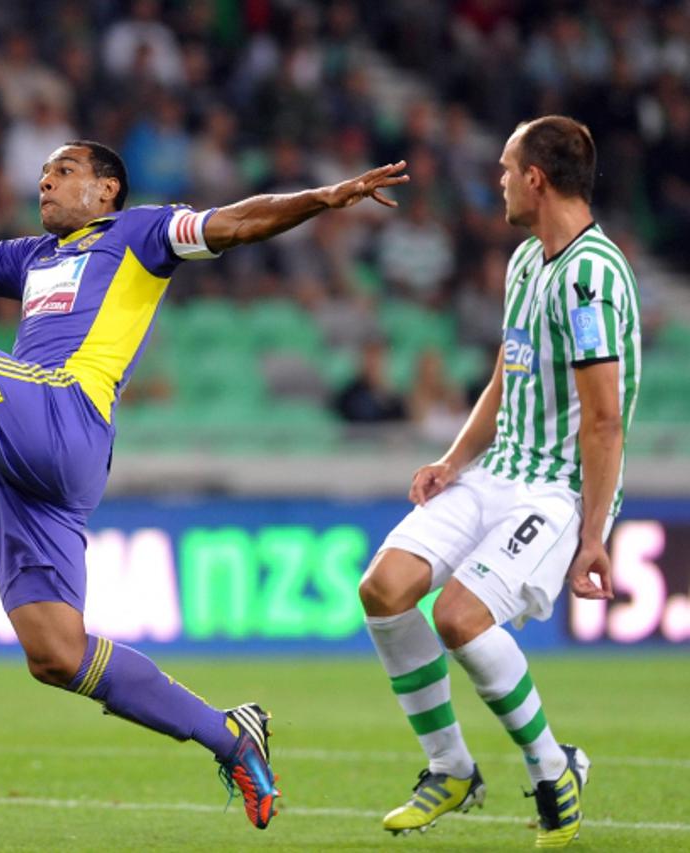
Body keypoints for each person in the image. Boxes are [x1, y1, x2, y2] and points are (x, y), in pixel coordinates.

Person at [0, 140, 408, 830]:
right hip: (29, 457)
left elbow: (237, 221)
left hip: (66, 410)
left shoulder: (141, 231)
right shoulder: (33, 257)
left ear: (108, 188)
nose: (45, 182)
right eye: (43, 173)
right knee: (55, 653)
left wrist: (319, 198)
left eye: (64, 171)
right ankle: (229, 733)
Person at [358, 116, 640, 848]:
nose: (500, 181)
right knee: (383, 588)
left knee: (458, 616)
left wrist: (592, 535)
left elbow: (603, 419)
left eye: (507, 169)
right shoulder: (524, 261)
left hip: (556, 489)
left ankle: (554, 769)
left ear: (537, 180)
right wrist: (454, 459)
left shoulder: (588, 278)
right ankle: (450, 768)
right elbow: (505, 374)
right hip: (497, 470)